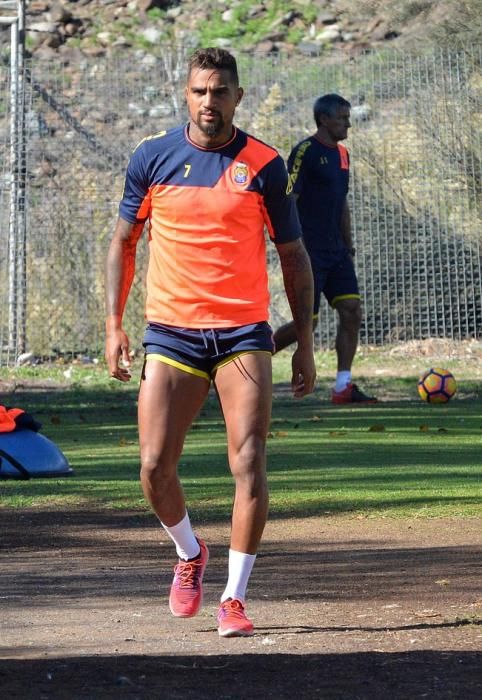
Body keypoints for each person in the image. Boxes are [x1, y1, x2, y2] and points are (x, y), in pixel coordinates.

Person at [105, 47, 316, 638]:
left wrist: (303, 339)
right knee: (153, 467)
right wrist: (113, 326)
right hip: (171, 333)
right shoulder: (152, 158)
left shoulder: (266, 165)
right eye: (200, 91)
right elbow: (124, 242)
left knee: (248, 462)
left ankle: (234, 598)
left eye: (220, 91)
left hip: (243, 334)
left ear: (237, 97)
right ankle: (189, 553)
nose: (209, 102)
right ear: (186, 94)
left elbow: (293, 256)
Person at [274, 93, 377, 404]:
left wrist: (348, 243)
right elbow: (288, 198)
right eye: (342, 118)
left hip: (337, 253)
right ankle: (246, 360)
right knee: (309, 322)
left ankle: (343, 387)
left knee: (351, 311)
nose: (348, 123)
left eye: (348, 117)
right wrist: (292, 244)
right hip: (308, 252)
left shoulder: (343, 155)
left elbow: (341, 200)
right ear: (324, 120)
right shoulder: (305, 150)